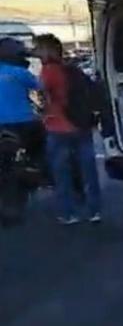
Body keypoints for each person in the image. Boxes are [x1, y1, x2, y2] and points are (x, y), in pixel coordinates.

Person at [34, 33, 102, 225]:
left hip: (58, 126)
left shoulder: (48, 71)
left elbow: (43, 96)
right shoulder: (73, 70)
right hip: (81, 124)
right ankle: (94, 210)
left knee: (62, 173)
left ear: (46, 50)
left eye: (38, 48)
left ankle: (68, 213)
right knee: (88, 170)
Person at [0, 38, 44, 163]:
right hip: (24, 121)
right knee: (40, 150)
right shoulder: (20, 72)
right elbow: (42, 86)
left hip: (2, 125)